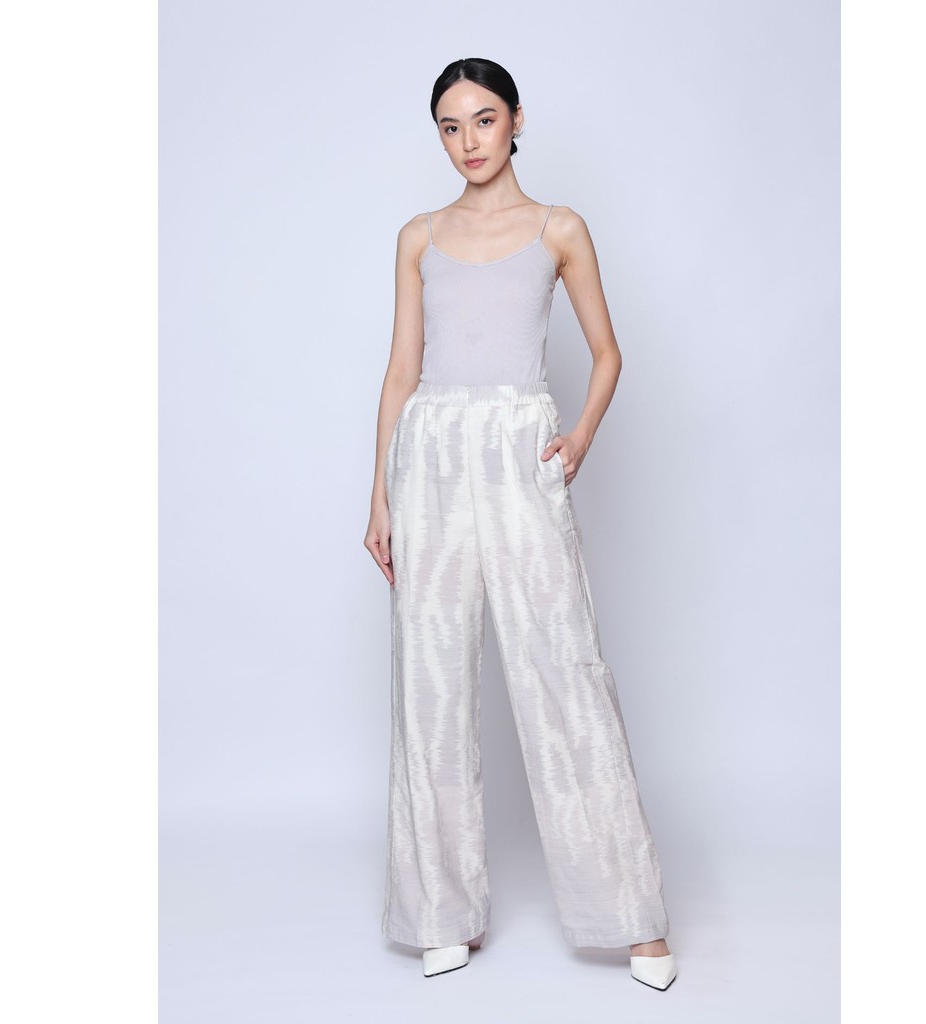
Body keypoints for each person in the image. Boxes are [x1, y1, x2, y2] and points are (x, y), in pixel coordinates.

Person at [364, 57, 677, 991]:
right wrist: (380, 495)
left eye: (484, 119)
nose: (468, 141)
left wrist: (578, 436)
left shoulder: (558, 227)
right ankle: (439, 911)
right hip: (430, 454)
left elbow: (608, 352)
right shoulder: (418, 236)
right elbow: (401, 373)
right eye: (450, 126)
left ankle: (634, 918)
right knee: (429, 679)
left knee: (562, 665)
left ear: (516, 121)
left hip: (518, 446)